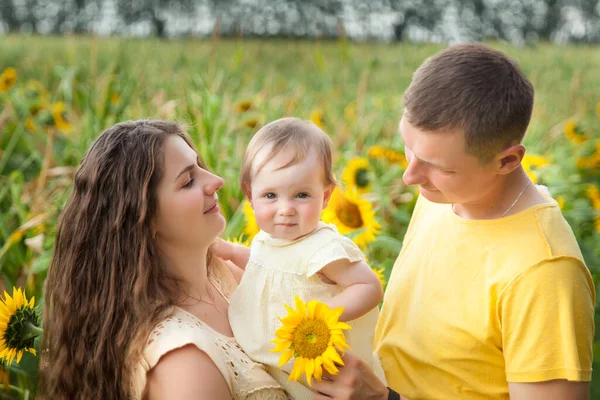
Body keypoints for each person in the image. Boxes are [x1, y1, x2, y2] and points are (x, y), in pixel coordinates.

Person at [311, 44, 595, 400]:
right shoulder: (445, 195)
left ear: (507, 161)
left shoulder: (545, 273)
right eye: (409, 148)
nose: (409, 176)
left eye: (439, 167)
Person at [39, 120, 288, 400]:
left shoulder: (226, 272)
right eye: (188, 181)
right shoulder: (185, 366)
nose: (216, 181)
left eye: (200, 167)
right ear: (143, 219)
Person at [215, 117, 386, 399]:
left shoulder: (323, 248)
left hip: (319, 373)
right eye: (270, 195)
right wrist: (233, 253)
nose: (286, 209)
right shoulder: (268, 239)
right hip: (276, 368)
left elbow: (369, 286)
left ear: (326, 196)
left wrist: (322, 318)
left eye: (301, 195)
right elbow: (266, 266)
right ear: (250, 196)